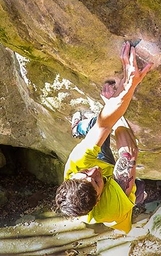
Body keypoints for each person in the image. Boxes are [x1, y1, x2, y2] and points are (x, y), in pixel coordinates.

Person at [55, 41, 153, 233]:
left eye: (84, 174)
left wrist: (128, 83)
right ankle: (140, 196)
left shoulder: (78, 164)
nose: (93, 172)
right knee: (139, 190)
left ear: (72, 176)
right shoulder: (111, 208)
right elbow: (129, 151)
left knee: (95, 126)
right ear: (99, 197)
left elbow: (104, 123)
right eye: (96, 181)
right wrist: (119, 98)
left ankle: (80, 127)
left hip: (108, 181)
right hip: (120, 203)